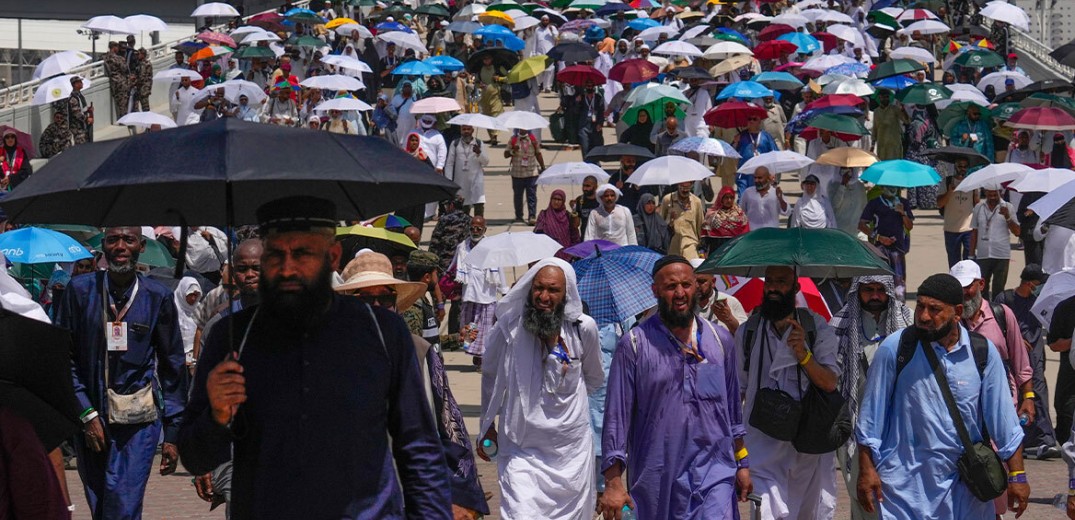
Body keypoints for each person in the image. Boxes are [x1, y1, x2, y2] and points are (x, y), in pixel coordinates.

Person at [178, 196, 452, 518]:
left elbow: (419, 448)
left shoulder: (381, 333)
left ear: (333, 257)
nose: (287, 268)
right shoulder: (232, 338)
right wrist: (217, 415)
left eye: (303, 254)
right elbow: (196, 457)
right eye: (276, 255)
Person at [855, 274, 1029, 519]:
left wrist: (1018, 476)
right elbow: (870, 419)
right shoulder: (896, 349)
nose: (924, 316)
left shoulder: (982, 353)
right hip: (904, 493)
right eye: (921, 307)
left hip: (966, 492)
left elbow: (1005, 424)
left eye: (934, 309)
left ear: (957, 312)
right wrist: (866, 469)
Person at [335, 252, 490, 519]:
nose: (376, 306)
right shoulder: (329, 358)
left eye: (384, 298)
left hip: (410, 495)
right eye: (364, 298)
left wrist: (463, 495)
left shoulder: (419, 352)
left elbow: (449, 425)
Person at [599, 256, 750, 519]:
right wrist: (613, 482)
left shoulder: (720, 339)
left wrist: (743, 463)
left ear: (697, 287)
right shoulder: (634, 344)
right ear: (655, 291)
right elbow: (617, 418)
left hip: (715, 473)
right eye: (670, 287)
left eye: (686, 285)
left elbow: (733, 412)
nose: (680, 293)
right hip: (657, 478)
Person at [58, 227, 187, 520]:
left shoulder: (157, 297)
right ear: (103, 247)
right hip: (91, 417)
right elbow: (62, 357)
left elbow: (173, 366)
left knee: (123, 505)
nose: (120, 246)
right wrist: (86, 413)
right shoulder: (79, 291)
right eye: (113, 240)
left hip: (137, 423)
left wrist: (174, 432)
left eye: (128, 240)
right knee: (101, 504)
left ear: (141, 246)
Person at [477, 258, 604, 519]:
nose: (543, 297)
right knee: (521, 512)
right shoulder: (509, 328)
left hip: (570, 452)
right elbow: (490, 374)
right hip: (521, 448)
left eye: (553, 290)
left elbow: (593, 379)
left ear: (566, 294)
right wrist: (487, 423)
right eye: (538, 288)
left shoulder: (583, 329)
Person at [735, 265, 840, 519]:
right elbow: (737, 390)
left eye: (781, 281)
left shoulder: (816, 328)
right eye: (768, 281)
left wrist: (804, 355)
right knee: (767, 513)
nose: (772, 287)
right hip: (762, 445)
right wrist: (736, 447)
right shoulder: (747, 332)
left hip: (806, 446)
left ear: (795, 287)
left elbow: (829, 383)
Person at [829, 276, 913, 520]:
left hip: (899, 426)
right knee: (861, 493)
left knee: (896, 495)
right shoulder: (839, 323)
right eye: (868, 290)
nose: (875, 296)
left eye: (880, 290)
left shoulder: (907, 320)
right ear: (858, 291)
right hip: (855, 424)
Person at [994, 264, 1061, 459]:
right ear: (1030, 283)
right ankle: (1021, 437)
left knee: (1038, 392)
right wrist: (1014, 338)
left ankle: (1046, 439)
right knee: (1014, 396)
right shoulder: (1005, 299)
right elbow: (995, 325)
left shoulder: (1039, 301)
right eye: (1039, 284)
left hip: (1035, 356)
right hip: (1012, 356)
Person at [450, 217, 505, 364]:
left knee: (486, 331)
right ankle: (475, 354)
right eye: (472, 228)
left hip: (487, 296)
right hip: (469, 295)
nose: (475, 231)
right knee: (470, 329)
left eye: (479, 228)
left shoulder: (491, 248)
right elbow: (453, 267)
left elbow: (499, 271)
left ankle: (482, 358)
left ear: (484, 230)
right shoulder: (462, 247)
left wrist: (504, 291)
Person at [860, 186, 914, 298]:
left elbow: (909, 226)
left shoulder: (903, 203)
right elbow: (861, 225)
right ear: (882, 187)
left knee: (899, 280)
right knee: (878, 279)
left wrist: (902, 213)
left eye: (894, 186)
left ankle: (899, 307)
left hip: (897, 249)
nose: (892, 188)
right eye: (888, 185)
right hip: (879, 249)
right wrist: (878, 237)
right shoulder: (874, 203)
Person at [970, 189, 1020, 299]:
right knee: (981, 289)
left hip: (1001, 255)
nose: (992, 197)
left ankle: (997, 312)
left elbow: (1017, 232)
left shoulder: (1008, 207)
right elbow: (974, 232)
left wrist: (1007, 216)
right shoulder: (979, 207)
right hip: (983, 255)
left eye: (995, 194)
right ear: (985, 193)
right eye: (989, 194)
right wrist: (971, 254)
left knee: (999, 290)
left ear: (1000, 193)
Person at [936, 159, 979, 267]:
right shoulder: (947, 181)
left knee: (969, 262)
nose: (962, 169)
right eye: (960, 166)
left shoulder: (973, 183)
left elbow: (977, 204)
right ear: (955, 166)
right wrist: (950, 192)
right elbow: (939, 204)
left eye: (965, 167)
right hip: (951, 228)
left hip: (968, 229)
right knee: (954, 264)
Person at [402, 250, 446, 353]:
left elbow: (429, 340)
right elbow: (414, 349)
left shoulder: (423, 301)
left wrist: (457, 338)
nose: (437, 278)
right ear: (427, 277)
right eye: (436, 273)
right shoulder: (412, 307)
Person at [691, 258, 749, 333]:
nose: (696, 286)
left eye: (701, 281)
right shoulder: (685, 304)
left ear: (713, 282)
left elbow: (744, 334)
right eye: (692, 282)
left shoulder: (730, 302)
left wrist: (729, 319)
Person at [444, 124, 490, 216]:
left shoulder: (479, 143)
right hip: (460, 183)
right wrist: (448, 180)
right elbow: (449, 163)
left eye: (468, 129)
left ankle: (478, 228)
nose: (466, 131)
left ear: (472, 130)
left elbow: (486, 162)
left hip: (476, 182)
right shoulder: (455, 143)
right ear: (461, 131)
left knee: (479, 207)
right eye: (464, 129)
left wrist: (479, 153)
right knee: (462, 211)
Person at [905, 105, 943, 210]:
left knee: (913, 177)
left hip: (917, 153)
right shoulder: (934, 122)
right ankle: (929, 201)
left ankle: (913, 201)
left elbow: (916, 141)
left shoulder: (919, 124)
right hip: (930, 153)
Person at [505, 128, 546, 225]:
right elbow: (505, 154)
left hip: (531, 173)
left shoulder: (532, 139)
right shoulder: (513, 139)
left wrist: (543, 167)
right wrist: (512, 150)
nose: (523, 130)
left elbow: (538, 153)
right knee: (518, 196)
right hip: (517, 174)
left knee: (531, 195)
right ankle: (519, 216)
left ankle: (532, 216)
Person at [660, 180, 704, 260]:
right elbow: (660, 223)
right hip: (672, 246)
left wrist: (701, 247)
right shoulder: (667, 200)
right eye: (682, 187)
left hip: (690, 244)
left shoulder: (696, 202)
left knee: (692, 268)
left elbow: (700, 225)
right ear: (678, 185)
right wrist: (670, 220)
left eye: (687, 187)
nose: (685, 190)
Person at [733, 115, 778, 194]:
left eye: (754, 119)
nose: (751, 121)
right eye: (749, 119)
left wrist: (772, 172)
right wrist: (735, 142)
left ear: (759, 121)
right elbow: (733, 153)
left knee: (759, 198)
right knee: (742, 198)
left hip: (761, 174)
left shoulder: (766, 136)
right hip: (744, 173)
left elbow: (774, 154)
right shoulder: (741, 136)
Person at [429, 196, 472, 271]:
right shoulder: (469, 219)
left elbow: (435, 241)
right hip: (463, 260)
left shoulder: (445, 219)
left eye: (446, 205)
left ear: (451, 205)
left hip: (445, 261)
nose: (446, 208)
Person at [535, 189, 582, 258]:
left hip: (566, 254)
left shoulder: (567, 215)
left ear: (563, 201)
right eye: (554, 199)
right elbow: (537, 234)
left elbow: (574, 234)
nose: (556, 202)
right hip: (548, 254)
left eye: (559, 200)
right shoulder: (544, 215)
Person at [702, 186, 749, 253]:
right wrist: (703, 249)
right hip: (717, 249)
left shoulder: (740, 214)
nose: (729, 200)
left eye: (731, 197)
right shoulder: (712, 214)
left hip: (734, 249)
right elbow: (705, 232)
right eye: (726, 197)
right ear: (721, 198)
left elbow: (745, 230)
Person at [174, 277, 202, 376]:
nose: (193, 298)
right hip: (173, 356)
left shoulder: (199, 309)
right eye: (190, 295)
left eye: (196, 295)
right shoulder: (172, 307)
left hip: (191, 359)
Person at [476, 55, 506, 146]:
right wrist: (479, 85)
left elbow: (508, 78)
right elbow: (476, 82)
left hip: (496, 95)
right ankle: (491, 136)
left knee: (496, 114)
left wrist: (499, 78)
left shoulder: (498, 68)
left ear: (492, 59)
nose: (486, 60)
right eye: (484, 58)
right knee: (487, 116)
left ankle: (495, 136)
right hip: (485, 96)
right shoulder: (480, 69)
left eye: (488, 58)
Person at [870, 89, 904, 161]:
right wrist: (872, 144)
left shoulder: (895, 109)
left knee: (895, 165)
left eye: (887, 97)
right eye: (883, 97)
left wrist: (903, 110)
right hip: (882, 145)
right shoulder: (876, 112)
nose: (885, 99)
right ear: (879, 98)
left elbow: (907, 121)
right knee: (883, 164)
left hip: (894, 144)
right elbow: (875, 128)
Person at [576, 80, 606, 159]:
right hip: (583, 126)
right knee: (585, 147)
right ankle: (586, 165)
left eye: (591, 86)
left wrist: (600, 123)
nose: (589, 87)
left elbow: (601, 112)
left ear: (594, 87)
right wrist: (577, 102)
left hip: (595, 126)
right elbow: (575, 112)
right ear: (585, 87)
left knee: (595, 148)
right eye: (588, 86)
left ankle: (595, 165)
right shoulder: (581, 97)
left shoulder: (598, 98)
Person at [104, 41, 130, 120]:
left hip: (113, 82)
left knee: (118, 102)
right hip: (120, 82)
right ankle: (123, 119)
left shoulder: (105, 57)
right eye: (117, 47)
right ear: (114, 48)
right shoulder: (118, 58)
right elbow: (125, 69)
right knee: (123, 102)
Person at [535, 16, 559, 92]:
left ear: (549, 21)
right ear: (541, 21)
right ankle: (538, 85)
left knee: (550, 70)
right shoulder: (537, 29)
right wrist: (534, 52)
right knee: (539, 70)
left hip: (550, 52)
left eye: (546, 20)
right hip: (539, 52)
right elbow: (535, 42)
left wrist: (552, 31)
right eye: (543, 20)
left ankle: (547, 86)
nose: (545, 21)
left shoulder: (552, 28)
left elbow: (556, 38)